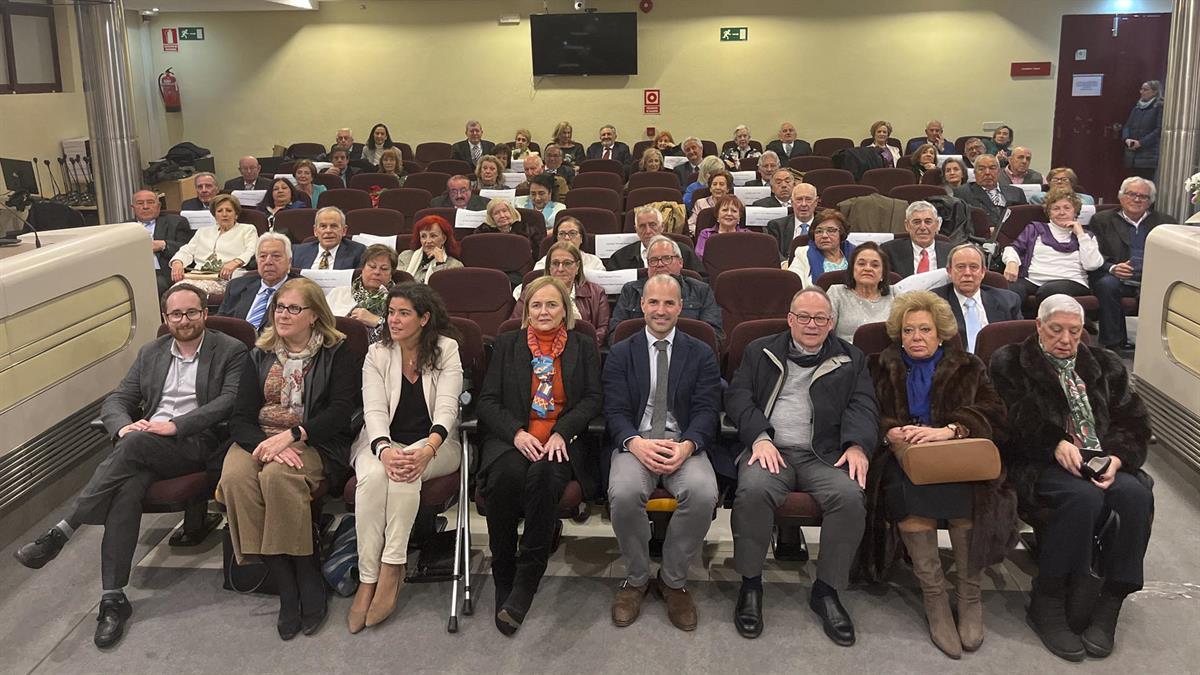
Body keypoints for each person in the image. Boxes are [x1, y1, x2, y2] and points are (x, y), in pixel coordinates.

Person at [13, 284, 247, 649]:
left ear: (204, 313)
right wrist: (123, 424)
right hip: (145, 445)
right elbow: (119, 398)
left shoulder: (231, 350)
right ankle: (112, 598)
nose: (183, 321)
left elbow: (230, 401)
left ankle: (62, 530)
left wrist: (175, 425)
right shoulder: (151, 352)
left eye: (191, 313)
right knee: (126, 487)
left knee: (133, 448)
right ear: (165, 318)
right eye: (175, 314)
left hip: (196, 443)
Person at [990, 294, 1154, 662]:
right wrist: (1053, 443)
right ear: (1039, 327)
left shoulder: (1105, 365)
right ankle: (1048, 599)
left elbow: (1135, 422)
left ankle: (1111, 597)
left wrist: (1117, 458)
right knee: (1083, 499)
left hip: (1100, 460)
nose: (1065, 340)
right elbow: (1005, 421)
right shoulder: (1009, 363)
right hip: (1039, 463)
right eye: (1056, 330)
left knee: (1135, 496)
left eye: (1074, 332)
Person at [862, 291, 1013, 659]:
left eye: (925, 329)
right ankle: (935, 599)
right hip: (902, 459)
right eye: (909, 330)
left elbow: (996, 413)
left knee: (968, 501)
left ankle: (968, 594)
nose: (916, 337)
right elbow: (862, 409)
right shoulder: (878, 364)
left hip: (958, 459)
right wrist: (889, 431)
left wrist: (951, 429)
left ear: (941, 333)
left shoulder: (969, 365)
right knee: (906, 497)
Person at [725, 286, 878, 643]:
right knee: (752, 491)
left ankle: (826, 590)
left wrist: (857, 445)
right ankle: (750, 584)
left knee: (849, 496)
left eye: (820, 318)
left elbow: (863, 405)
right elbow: (738, 397)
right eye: (804, 317)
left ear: (832, 322)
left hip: (823, 453)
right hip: (770, 448)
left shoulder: (851, 358)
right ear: (790, 319)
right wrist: (759, 437)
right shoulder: (759, 350)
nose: (812, 324)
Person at [216, 277, 360, 641]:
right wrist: (262, 447)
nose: (283, 314)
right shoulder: (259, 352)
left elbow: (341, 412)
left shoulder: (337, 352)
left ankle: (305, 576)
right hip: (259, 438)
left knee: (278, 478)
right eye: (280, 306)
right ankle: (284, 579)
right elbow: (241, 416)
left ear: (314, 315)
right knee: (234, 478)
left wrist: (292, 437)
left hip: (313, 440)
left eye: (294, 308)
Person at [476, 276, 603, 635]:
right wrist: (516, 433)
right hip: (515, 437)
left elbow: (594, 398)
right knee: (504, 480)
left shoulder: (582, 345)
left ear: (566, 309)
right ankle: (504, 570)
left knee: (544, 478)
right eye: (536, 305)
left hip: (560, 439)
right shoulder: (507, 344)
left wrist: (563, 431)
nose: (543, 312)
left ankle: (527, 578)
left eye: (552, 305)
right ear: (525, 311)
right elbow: (487, 401)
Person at [604, 274, 721, 631]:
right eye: (653, 302)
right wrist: (635, 443)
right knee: (623, 493)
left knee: (704, 493)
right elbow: (614, 410)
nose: (660, 310)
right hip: (635, 444)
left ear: (681, 307)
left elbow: (707, 409)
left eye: (669, 303)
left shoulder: (700, 351)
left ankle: (673, 580)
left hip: (682, 443)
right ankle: (637, 578)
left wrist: (687, 445)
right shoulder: (622, 351)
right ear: (642, 305)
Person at [348, 282, 463, 633]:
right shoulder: (377, 353)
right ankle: (368, 578)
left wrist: (427, 450)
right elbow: (374, 410)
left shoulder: (447, 349)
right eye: (390, 313)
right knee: (371, 480)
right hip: (380, 442)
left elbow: (447, 408)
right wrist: (383, 448)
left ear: (424, 318)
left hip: (437, 445)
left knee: (406, 474)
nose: (393, 320)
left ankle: (391, 567)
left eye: (403, 313)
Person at [1087, 176, 1173, 350]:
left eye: (1143, 197)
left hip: (1152, 277)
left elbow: (1172, 256)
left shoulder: (1166, 223)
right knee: (1106, 284)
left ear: (1150, 202)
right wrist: (1112, 268)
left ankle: (1155, 346)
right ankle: (1114, 343)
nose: (1136, 199)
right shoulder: (1102, 220)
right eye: (1131, 194)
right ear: (1120, 196)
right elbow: (1092, 253)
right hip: (1116, 274)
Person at [1002, 188, 1103, 308]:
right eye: (1056, 208)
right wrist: (1011, 262)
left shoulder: (1086, 236)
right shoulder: (1035, 229)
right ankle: (1013, 325)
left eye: (1067, 208)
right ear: (1049, 213)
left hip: (1072, 281)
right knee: (1009, 290)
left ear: (1075, 211)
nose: (1061, 212)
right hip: (1033, 280)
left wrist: (1080, 235)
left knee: (1048, 291)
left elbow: (1092, 264)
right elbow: (1013, 248)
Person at [609, 236, 723, 342]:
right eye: (653, 260)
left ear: (680, 262)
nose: (660, 264)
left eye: (667, 258)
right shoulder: (630, 291)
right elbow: (616, 334)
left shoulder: (701, 290)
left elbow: (713, 335)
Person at [512, 242, 611, 344]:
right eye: (555, 263)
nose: (560, 269)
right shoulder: (531, 290)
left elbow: (602, 330)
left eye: (567, 263)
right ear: (549, 267)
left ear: (577, 266)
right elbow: (516, 325)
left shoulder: (596, 292)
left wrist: (584, 348)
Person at [931, 244, 1022, 352]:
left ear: (983, 271)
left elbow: (1019, 342)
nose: (967, 273)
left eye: (974, 267)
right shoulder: (934, 301)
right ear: (949, 271)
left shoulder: (1008, 301)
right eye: (960, 267)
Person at [168, 194, 258, 293]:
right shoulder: (202, 231)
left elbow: (251, 250)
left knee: (189, 293)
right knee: (173, 292)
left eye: (229, 210)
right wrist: (178, 262)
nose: (224, 214)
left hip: (227, 277)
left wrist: (235, 262)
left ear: (236, 214)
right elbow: (187, 250)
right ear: (214, 215)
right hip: (197, 276)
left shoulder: (247, 229)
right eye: (220, 211)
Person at [217, 233, 297, 332]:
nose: (268, 261)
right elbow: (219, 326)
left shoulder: (300, 291)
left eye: (276, 256)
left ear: (289, 262)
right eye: (262, 256)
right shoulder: (236, 286)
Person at [327, 244, 398, 344]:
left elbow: (409, 332)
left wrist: (377, 321)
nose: (377, 272)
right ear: (362, 268)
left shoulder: (399, 300)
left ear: (391, 274)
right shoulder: (338, 293)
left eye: (384, 268)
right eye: (372, 266)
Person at [607, 206, 704, 275]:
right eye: (642, 226)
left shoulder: (683, 251)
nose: (648, 231)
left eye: (652, 225)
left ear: (662, 227)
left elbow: (701, 280)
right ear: (636, 230)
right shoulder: (620, 258)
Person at [827, 241, 895, 341]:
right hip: (845, 353)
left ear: (883, 274)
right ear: (852, 269)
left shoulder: (895, 294)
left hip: (885, 355)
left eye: (875, 265)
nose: (867, 268)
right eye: (861, 264)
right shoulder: (836, 293)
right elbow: (824, 332)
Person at [132, 188, 194, 295]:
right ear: (133, 208)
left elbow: (189, 249)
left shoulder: (176, 222)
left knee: (153, 283)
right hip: (133, 272)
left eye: (150, 202)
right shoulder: (123, 228)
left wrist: (164, 245)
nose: (145, 207)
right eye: (140, 203)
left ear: (159, 206)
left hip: (162, 272)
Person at [881, 201, 953, 277]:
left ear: (937, 225)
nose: (922, 227)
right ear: (907, 226)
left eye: (928, 222)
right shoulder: (889, 251)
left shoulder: (952, 252)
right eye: (917, 222)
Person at [954, 154, 1027, 229]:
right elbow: (961, 225)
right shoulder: (963, 193)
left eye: (992, 168)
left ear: (999, 171)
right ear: (975, 173)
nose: (987, 172)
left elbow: (1026, 220)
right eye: (981, 169)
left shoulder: (1016, 192)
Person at [787, 208, 854, 284]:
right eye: (819, 231)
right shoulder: (803, 253)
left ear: (841, 233)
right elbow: (792, 284)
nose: (824, 236)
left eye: (831, 230)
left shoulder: (855, 253)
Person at [292, 206, 366, 270]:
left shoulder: (358, 252)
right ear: (315, 231)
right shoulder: (298, 252)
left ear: (344, 230)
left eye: (334, 226)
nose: (328, 231)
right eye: (323, 226)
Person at [398, 214, 463, 283]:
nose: (428, 241)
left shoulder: (455, 265)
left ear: (444, 239)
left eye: (433, 236)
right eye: (423, 236)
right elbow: (397, 284)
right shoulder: (405, 257)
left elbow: (445, 288)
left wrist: (440, 264)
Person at [480, 196, 546, 264]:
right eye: (496, 213)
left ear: (512, 212)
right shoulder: (484, 233)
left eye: (505, 211)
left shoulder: (527, 229)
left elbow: (539, 254)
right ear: (491, 218)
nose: (502, 215)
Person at [767, 183, 820, 262]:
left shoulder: (825, 225)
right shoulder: (777, 225)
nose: (803, 204)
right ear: (792, 202)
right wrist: (784, 263)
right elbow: (774, 251)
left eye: (808, 199)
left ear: (816, 202)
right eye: (799, 199)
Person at [1122, 80, 1163, 181]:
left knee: (1146, 183)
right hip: (1132, 154)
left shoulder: (1158, 107)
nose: (1141, 92)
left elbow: (1158, 130)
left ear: (1155, 92)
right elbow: (1127, 125)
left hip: (1148, 155)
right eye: (1141, 89)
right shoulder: (1137, 107)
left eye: (1145, 90)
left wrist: (1141, 143)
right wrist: (1126, 138)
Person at [535, 216, 605, 273]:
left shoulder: (594, 262)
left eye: (572, 233)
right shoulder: (544, 263)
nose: (567, 238)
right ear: (556, 239)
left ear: (581, 238)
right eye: (562, 234)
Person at [687, 169, 737, 235]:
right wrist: (705, 234)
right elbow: (690, 224)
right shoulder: (700, 203)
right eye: (714, 184)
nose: (718, 187)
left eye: (721, 184)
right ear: (710, 188)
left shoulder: (735, 204)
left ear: (728, 188)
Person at [1030, 167, 1095, 205]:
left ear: (1072, 182)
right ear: (1049, 183)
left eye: (1064, 179)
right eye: (1055, 179)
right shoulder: (1039, 197)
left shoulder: (1087, 199)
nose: (1059, 182)